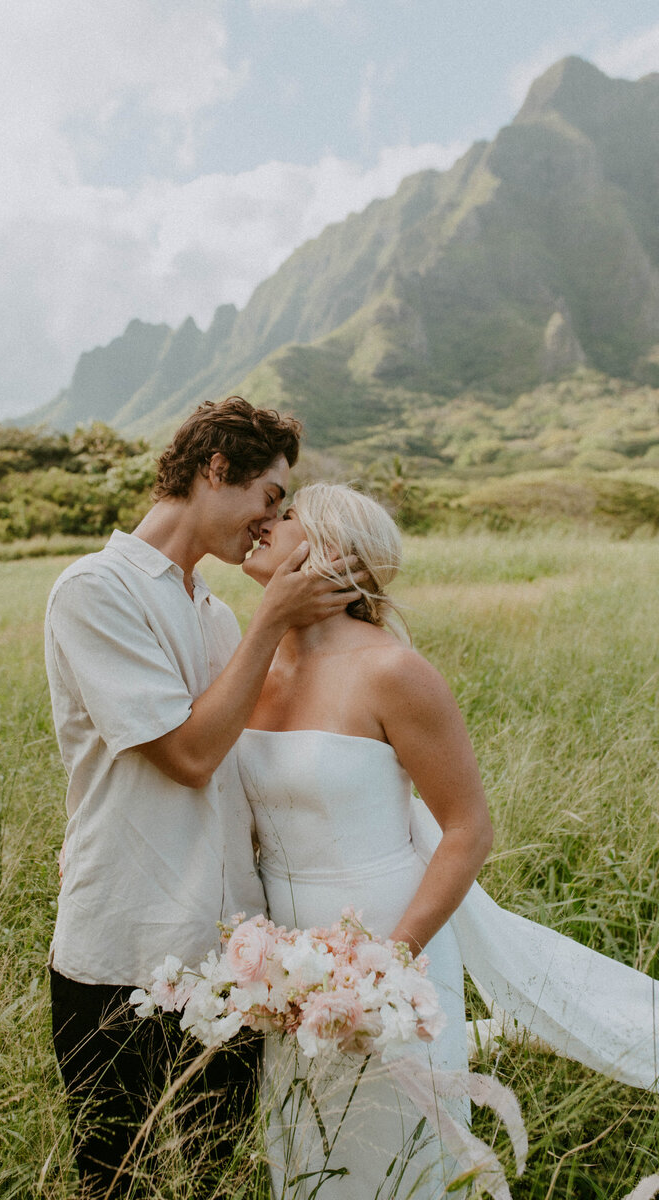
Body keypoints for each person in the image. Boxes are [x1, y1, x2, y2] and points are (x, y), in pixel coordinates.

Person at [237, 482, 659, 1199]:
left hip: (387, 930)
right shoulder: (253, 661)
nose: (264, 524)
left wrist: (389, 965)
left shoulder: (393, 672)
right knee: (307, 1146)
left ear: (333, 552)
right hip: (278, 951)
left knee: (398, 1147)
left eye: (287, 517)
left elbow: (468, 830)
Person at [44, 399, 363, 1197]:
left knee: (215, 1176)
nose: (270, 524)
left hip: (231, 959)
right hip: (123, 947)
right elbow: (187, 755)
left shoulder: (213, 612)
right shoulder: (95, 590)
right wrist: (270, 623)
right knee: (116, 1179)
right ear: (215, 471)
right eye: (269, 497)